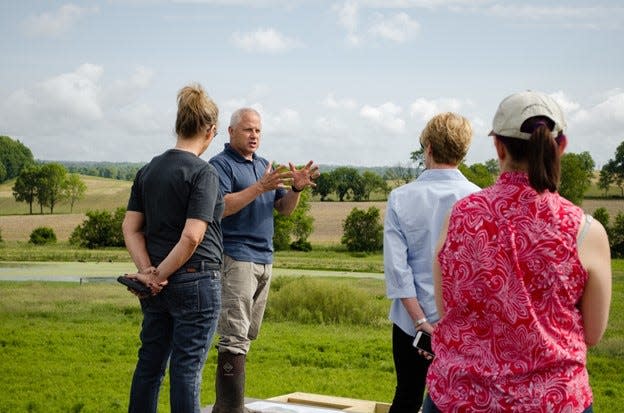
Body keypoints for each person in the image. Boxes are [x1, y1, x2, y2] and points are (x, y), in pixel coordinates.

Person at [424, 91, 612, 413]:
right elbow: (592, 334)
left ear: (498, 146)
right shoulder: (585, 230)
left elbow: (445, 308)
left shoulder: (459, 217)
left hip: (458, 399)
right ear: (561, 146)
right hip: (554, 402)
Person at [121, 83, 223, 413]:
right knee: (186, 372)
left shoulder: (148, 170)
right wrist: (159, 274)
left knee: (149, 366)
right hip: (195, 281)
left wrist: (148, 273)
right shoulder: (204, 173)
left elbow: (131, 227)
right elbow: (192, 237)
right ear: (211, 131)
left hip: (156, 288)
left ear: (178, 125)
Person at [209, 107, 319, 413]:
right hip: (235, 257)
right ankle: (229, 408)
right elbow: (220, 207)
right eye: (247, 129)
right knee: (233, 334)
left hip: (264, 257)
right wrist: (260, 187)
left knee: (247, 333)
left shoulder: (264, 166)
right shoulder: (220, 166)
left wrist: (295, 188)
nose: (254, 135)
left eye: (258, 130)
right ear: (230, 132)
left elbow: (283, 208)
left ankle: (231, 405)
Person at [383, 112, 480, 412]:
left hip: (410, 324)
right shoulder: (479, 199)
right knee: (461, 401)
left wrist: (422, 323)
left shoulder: (400, 198)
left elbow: (398, 271)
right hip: (463, 325)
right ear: (463, 151)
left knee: (407, 395)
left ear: (428, 148)